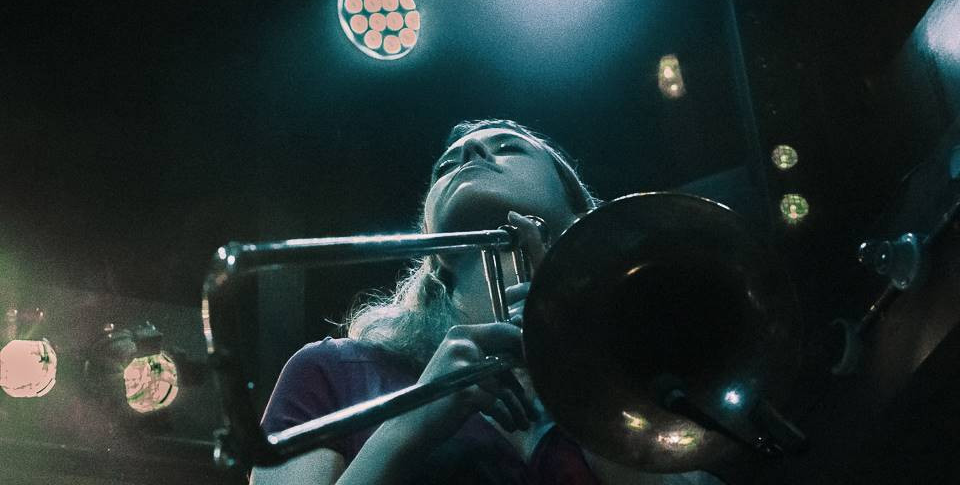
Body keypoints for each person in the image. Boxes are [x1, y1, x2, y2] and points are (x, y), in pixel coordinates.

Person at [252, 119, 719, 485]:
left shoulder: (651, 377)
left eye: (509, 147)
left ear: (578, 213)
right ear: (430, 241)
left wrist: (584, 371)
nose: (471, 152)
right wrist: (411, 422)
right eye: (445, 166)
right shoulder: (333, 370)